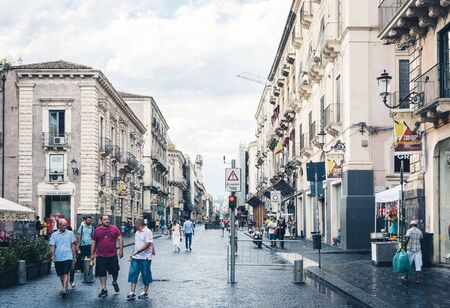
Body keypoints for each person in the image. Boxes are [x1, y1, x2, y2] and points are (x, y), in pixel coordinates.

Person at [91, 215, 124, 298]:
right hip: (101, 255)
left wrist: (121, 250)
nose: (107, 221)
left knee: (115, 271)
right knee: (102, 273)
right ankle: (104, 289)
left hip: (112, 255)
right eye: (104, 219)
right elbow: (93, 242)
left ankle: (114, 282)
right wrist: (92, 254)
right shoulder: (97, 230)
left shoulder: (114, 228)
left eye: (108, 219)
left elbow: (120, 238)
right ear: (101, 221)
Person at [127, 218, 154, 301]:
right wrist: (133, 254)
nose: (134, 225)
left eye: (135, 224)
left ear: (139, 224)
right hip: (135, 257)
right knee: (133, 274)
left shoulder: (148, 232)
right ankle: (132, 292)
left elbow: (148, 244)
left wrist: (138, 251)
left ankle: (145, 292)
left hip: (145, 258)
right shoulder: (137, 232)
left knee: (146, 275)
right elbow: (136, 244)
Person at [49, 219, 77, 297]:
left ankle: (64, 288)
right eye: (64, 225)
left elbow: (73, 245)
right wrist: (52, 255)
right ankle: (65, 286)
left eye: (66, 225)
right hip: (58, 257)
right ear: (59, 226)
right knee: (61, 274)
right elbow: (52, 246)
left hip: (68, 256)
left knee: (65, 272)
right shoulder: (54, 235)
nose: (65, 226)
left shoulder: (70, 233)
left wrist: (74, 255)